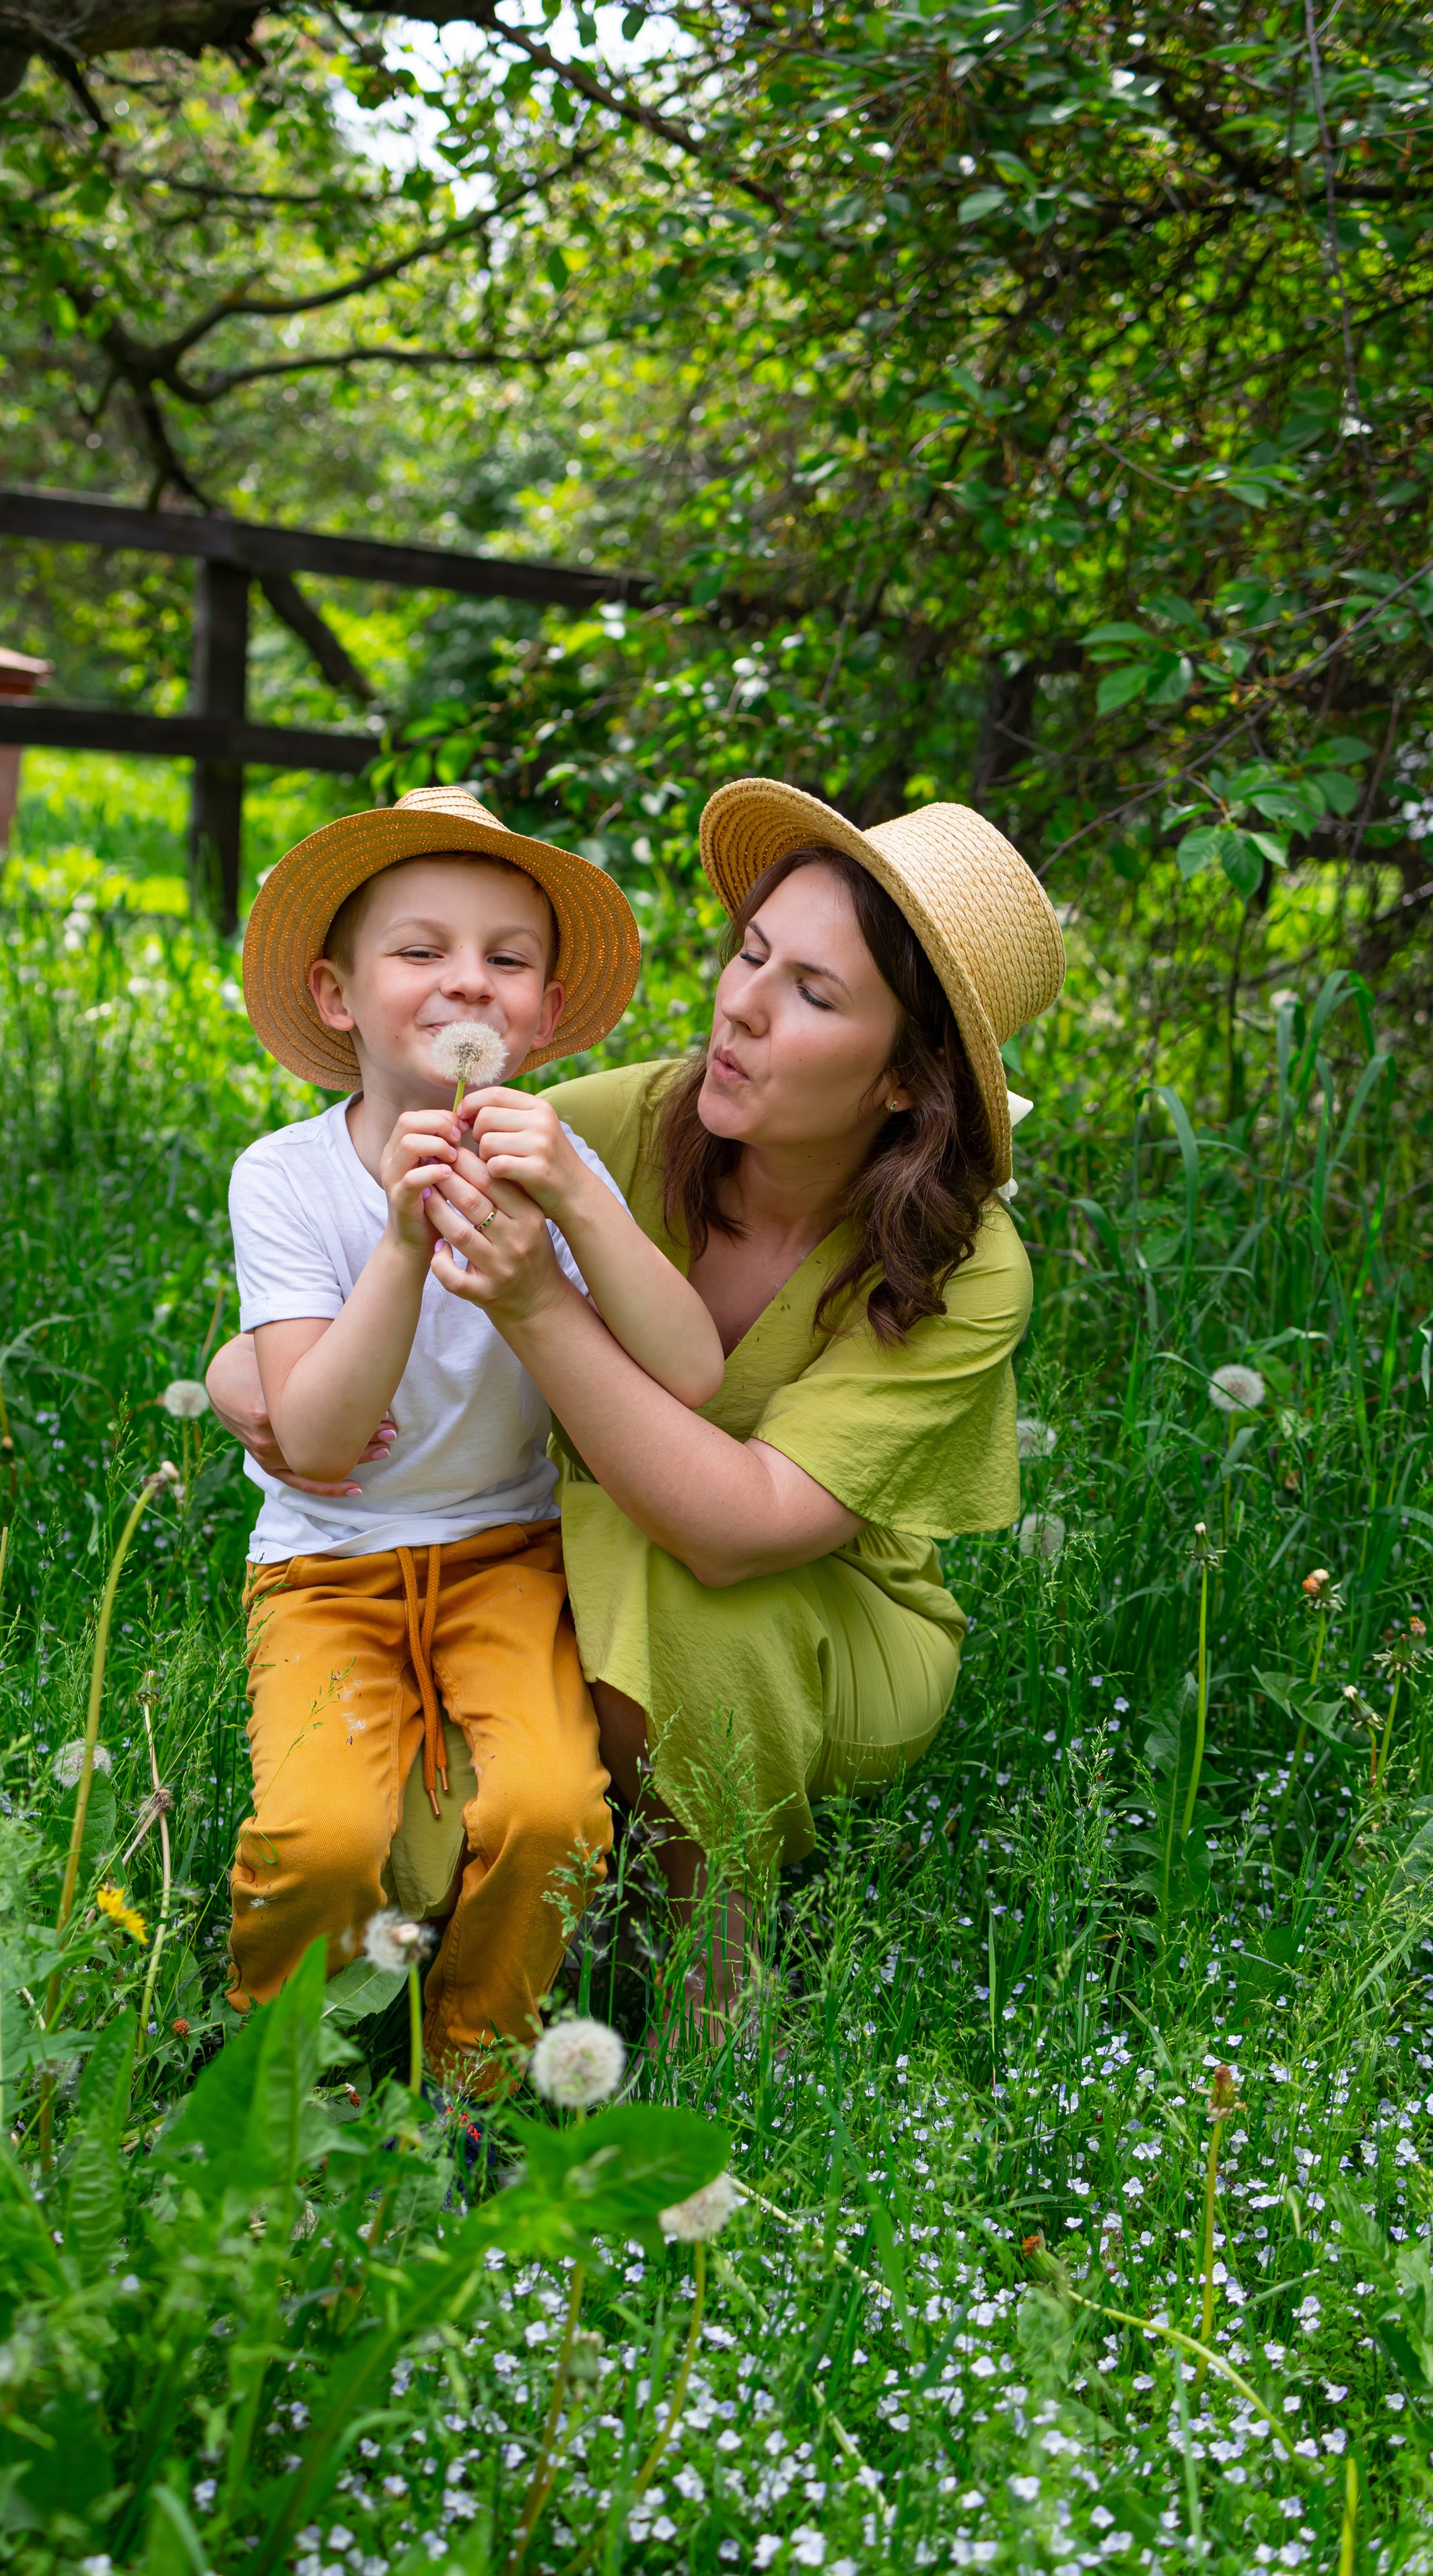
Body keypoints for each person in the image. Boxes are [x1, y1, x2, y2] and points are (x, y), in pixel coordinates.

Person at [211, 779, 1063, 2022]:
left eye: (814, 995)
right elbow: (350, 1233)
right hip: (517, 1567)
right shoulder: (616, 1123)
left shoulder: (963, 1260)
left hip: (817, 1618)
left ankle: (711, 1960)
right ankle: (390, 2002)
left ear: (902, 1080)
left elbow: (738, 1522)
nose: (742, 1009)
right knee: (417, 1798)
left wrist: (539, 1308)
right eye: (752, 954)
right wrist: (254, 1373)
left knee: (641, 1549)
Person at [224, 783, 723, 2087]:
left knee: (557, 1815)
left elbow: (690, 1369)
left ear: (546, 1012)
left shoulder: (557, 1167)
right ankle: (282, 2084)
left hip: (506, 1559)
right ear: (338, 999)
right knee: (321, 1838)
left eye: (507, 960)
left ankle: (473, 2076)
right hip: (324, 1568)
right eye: (419, 951)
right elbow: (321, 1441)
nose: (467, 985)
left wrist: (574, 1198)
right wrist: (401, 1242)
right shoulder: (283, 1179)